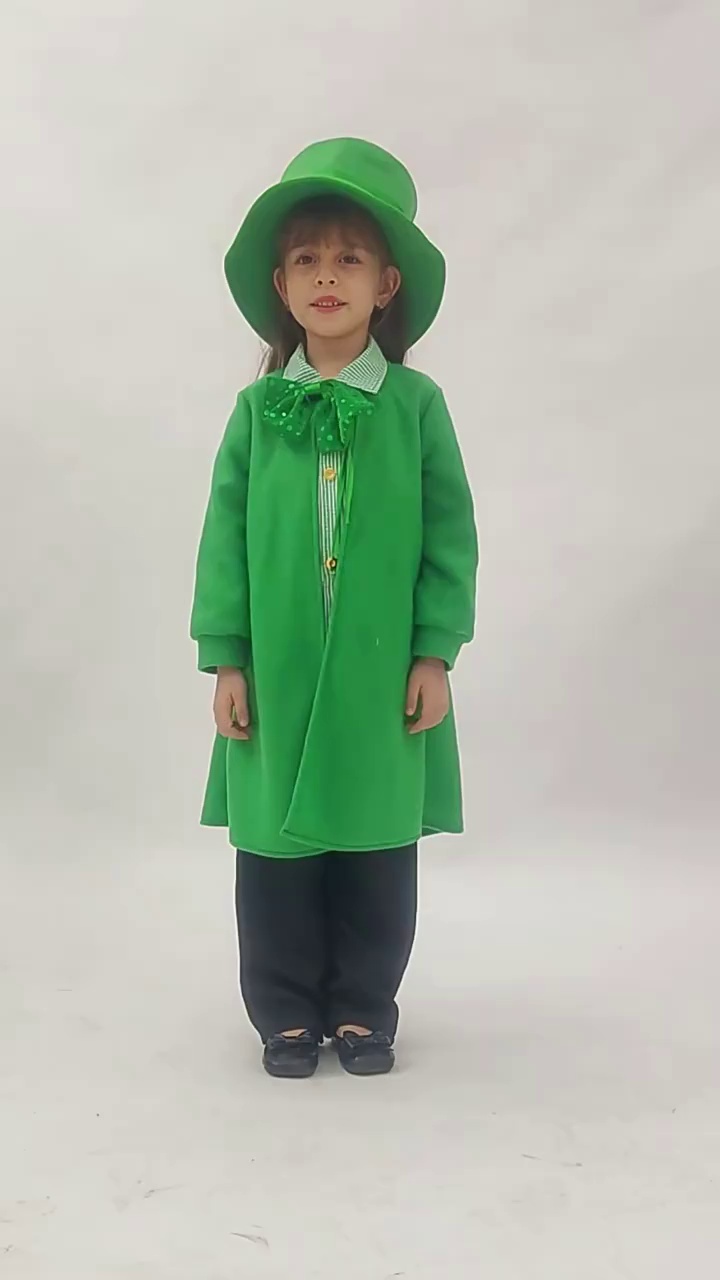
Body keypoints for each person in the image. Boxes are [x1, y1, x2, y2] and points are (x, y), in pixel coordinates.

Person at [190, 137, 478, 1079]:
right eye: (307, 259)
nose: (327, 276)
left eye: (349, 258)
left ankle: (361, 1005)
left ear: (386, 285)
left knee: (375, 846)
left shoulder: (417, 407)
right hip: (275, 672)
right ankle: (283, 1011)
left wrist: (433, 651)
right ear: (280, 285)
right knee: (274, 847)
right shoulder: (255, 412)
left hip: (381, 672)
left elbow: (450, 536)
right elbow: (223, 539)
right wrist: (227, 657)